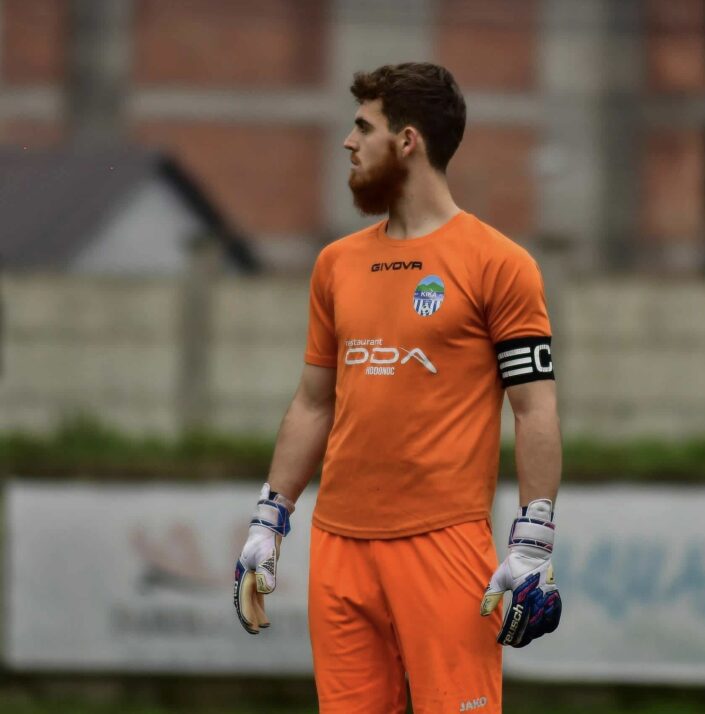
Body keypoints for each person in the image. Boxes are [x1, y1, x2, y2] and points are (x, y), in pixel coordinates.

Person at [233, 62, 562, 714]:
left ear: (407, 141)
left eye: (364, 127)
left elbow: (535, 409)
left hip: (444, 545)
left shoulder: (500, 264)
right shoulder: (336, 264)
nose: (348, 142)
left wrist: (533, 541)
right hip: (338, 545)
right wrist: (268, 520)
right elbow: (313, 402)